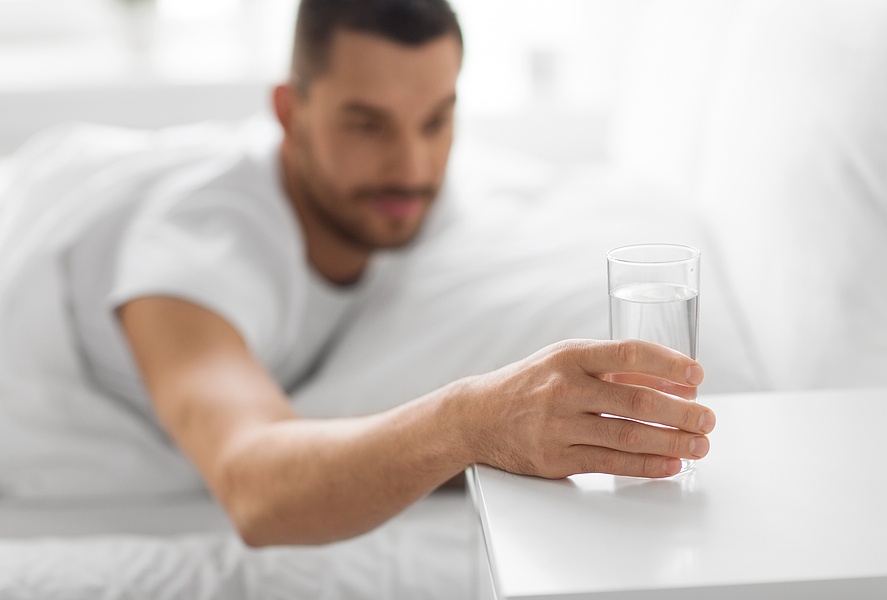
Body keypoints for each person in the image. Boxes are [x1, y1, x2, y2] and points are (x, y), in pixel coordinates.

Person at [62, 0, 715, 547]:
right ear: (290, 113)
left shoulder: (427, 192)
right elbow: (252, 488)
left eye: (436, 120)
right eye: (367, 125)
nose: (412, 166)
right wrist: (470, 423)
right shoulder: (198, 249)